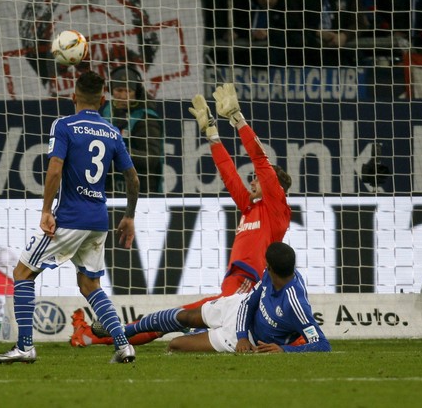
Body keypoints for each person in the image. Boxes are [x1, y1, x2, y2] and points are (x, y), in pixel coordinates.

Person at [70, 82, 292, 347]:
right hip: (233, 284)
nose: (253, 180)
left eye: (258, 179)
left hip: (247, 285)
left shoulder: (277, 209)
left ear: (274, 186)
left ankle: (101, 334)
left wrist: (238, 120)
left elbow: (260, 161)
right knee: (172, 319)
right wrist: (212, 135)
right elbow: (229, 174)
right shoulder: (250, 208)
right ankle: (95, 337)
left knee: (176, 320)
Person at [0, 71, 140, 364]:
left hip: (70, 217)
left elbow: (55, 169)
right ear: (103, 99)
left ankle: (24, 347)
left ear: (73, 96)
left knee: (23, 273)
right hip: (99, 219)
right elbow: (133, 179)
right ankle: (124, 346)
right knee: (90, 286)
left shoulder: (64, 125)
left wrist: (46, 210)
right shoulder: (112, 132)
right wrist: (129, 216)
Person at [132, 242, 331, 353]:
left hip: (248, 339)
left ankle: (196, 331)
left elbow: (323, 344)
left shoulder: (295, 304)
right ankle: (124, 331)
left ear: (270, 267)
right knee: (185, 316)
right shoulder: (268, 275)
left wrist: (284, 350)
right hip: (237, 311)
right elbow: (248, 303)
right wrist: (242, 336)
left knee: (176, 346)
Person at [101, 65, 163, 195]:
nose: (123, 96)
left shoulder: (146, 118)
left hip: (142, 191)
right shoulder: (106, 111)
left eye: (128, 91)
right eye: (119, 90)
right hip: (109, 189)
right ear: (111, 90)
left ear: (137, 92)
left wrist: (118, 152)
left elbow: (151, 159)